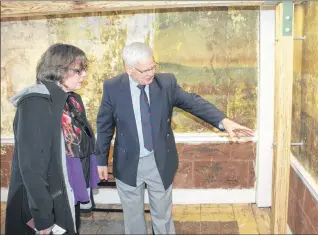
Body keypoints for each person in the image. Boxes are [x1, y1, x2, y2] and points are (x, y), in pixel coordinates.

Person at [95, 42, 254, 234]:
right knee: (133, 218)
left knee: (162, 216)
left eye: (153, 66)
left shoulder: (166, 83)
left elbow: (194, 103)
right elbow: (104, 126)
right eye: (145, 70)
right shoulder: (112, 87)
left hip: (159, 161)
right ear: (128, 69)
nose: (150, 73)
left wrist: (224, 121)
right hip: (128, 162)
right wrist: (101, 160)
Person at [5, 43, 99, 235]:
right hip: (46, 196)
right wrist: (43, 217)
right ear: (59, 69)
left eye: (84, 70)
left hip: (68, 187)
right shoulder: (34, 104)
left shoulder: (72, 100)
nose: (84, 75)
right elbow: (32, 167)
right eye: (79, 70)